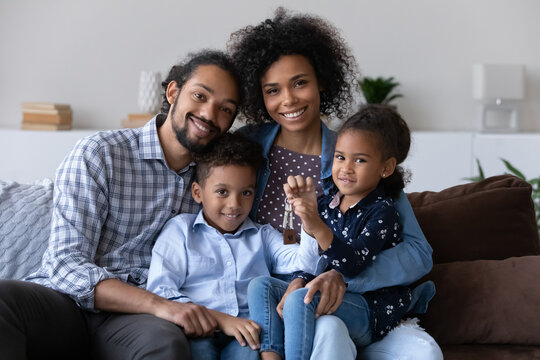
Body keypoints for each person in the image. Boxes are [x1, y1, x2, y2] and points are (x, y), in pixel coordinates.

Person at [0, 50, 243, 360]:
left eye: (225, 109)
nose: (209, 114)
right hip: (65, 304)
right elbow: (64, 263)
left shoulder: (215, 185)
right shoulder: (101, 152)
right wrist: (162, 306)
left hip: (136, 325)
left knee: (166, 345)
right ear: (173, 92)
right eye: (200, 96)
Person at [228, 8, 442, 359]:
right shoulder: (246, 150)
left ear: (322, 80)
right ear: (259, 96)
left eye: (300, 82)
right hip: (268, 308)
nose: (289, 100)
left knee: (422, 354)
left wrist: (341, 277)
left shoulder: (356, 157)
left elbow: (417, 253)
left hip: (340, 300)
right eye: (272, 90)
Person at [250, 105, 432, 360]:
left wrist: (317, 225)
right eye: (340, 157)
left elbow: (353, 262)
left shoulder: (383, 211)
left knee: (300, 300)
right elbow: (316, 260)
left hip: (369, 308)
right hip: (332, 301)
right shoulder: (327, 204)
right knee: (261, 286)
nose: (346, 168)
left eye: (359, 160)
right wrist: (299, 278)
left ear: (386, 168)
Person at [146, 132, 323, 360]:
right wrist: (219, 319)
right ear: (198, 193)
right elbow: (160, 290)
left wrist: (309, 220)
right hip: (197, 330)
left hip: (247, 333)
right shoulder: (180, 230)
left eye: (246, 193)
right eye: (222, 192)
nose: (235, 204)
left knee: (248, 354)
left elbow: (304, 264)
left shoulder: (263, 236)